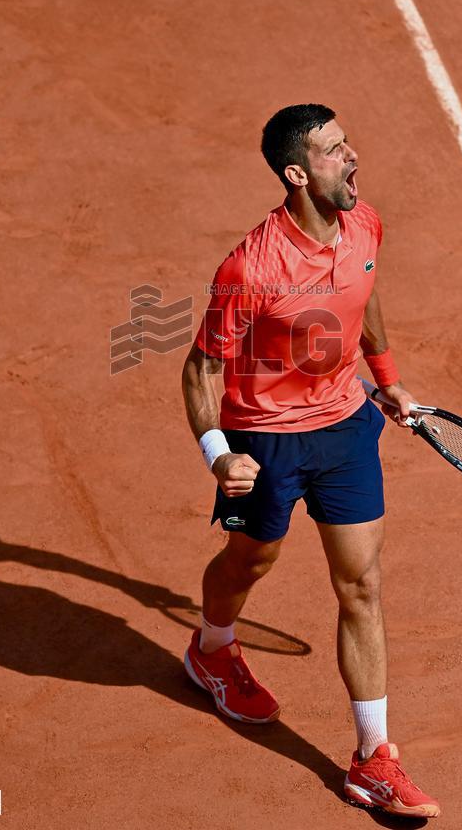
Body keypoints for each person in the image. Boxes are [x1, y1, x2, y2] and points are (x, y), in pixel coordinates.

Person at [180, 104, 440, 819]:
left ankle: (374, 759)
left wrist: (386, 381)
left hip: (345, 428)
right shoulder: (250, 267)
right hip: (262, 440)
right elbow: (201, 369)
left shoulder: (364, 223)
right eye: (332, 151)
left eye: (347, 141)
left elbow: (365, 288)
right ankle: (212, 649)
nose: (351, 155)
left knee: (361, 584)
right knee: (248, 562)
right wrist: (218, 455)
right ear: (297, 174)